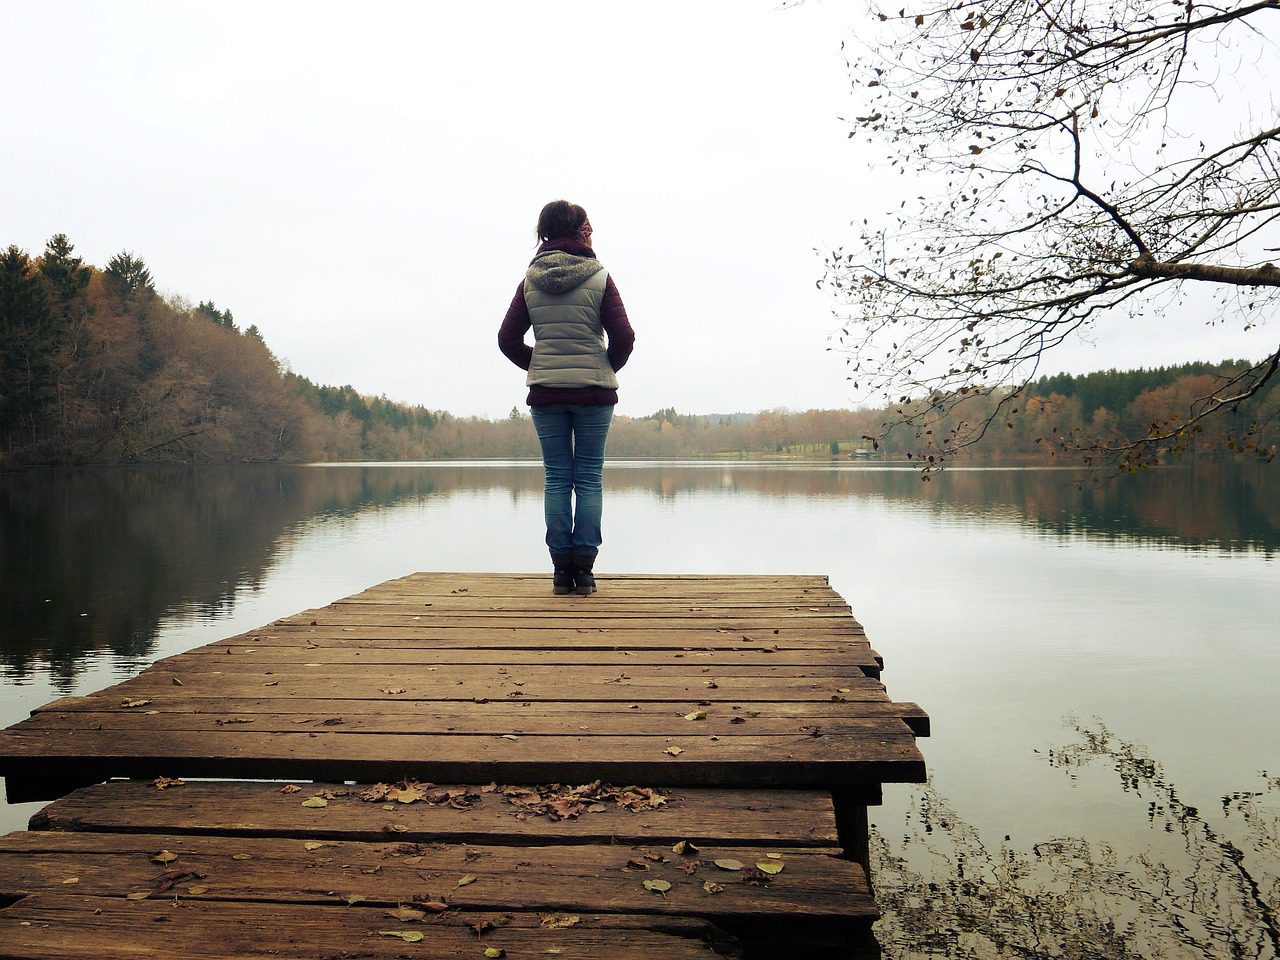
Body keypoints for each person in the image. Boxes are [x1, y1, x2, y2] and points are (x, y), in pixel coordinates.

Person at [499, 201, 635, 596]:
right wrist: (602, 369)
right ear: (580, 232)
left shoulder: (529, 281)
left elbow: (507, 340)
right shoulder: (600, 277)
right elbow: (624, 337)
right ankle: (586, 573)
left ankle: (561, 573)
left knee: (557, 477)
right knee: (589, 477)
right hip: (595, 394)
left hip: (546, 394)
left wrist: (539, 365)